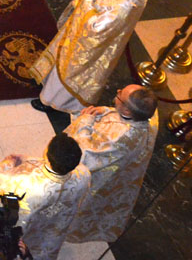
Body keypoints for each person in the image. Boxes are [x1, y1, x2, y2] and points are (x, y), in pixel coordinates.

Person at [31, 0, 156, 115]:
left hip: (91, 43)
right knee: (60, 55)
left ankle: (50, 101)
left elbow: (96, 27)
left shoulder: (128, 1)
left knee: (71, 70)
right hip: (80, 28)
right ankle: (45, 79)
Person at [0, 136, 90, 260]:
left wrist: (7, 164)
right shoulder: (84, 175)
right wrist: (27, 159)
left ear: (47, 152)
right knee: (45, 239)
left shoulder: (22, 184)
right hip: (54, 221)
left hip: (27, 225)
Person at [65, 86, 159, 243]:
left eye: (119, 95)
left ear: (128, 111)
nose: (118, 91)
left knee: (85, 200)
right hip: (125, 167)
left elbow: (86, 154)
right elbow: (123, 114)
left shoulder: (120, 137)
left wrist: (85, 121)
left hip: (103, 172)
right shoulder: (148, 110)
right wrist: (106, 110)